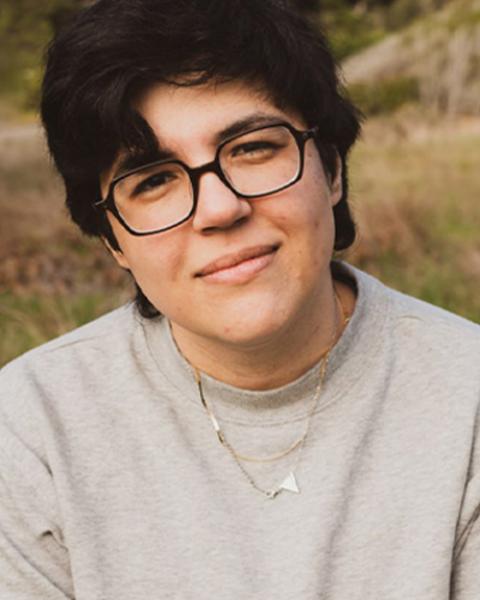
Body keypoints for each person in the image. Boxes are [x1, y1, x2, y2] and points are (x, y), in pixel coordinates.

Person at [0, 0, 479, 598]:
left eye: (252, 148)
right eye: (154, 180)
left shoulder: (468, 400)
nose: (219, 209)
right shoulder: (30, 430)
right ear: (113, 240)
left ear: (331, 169)